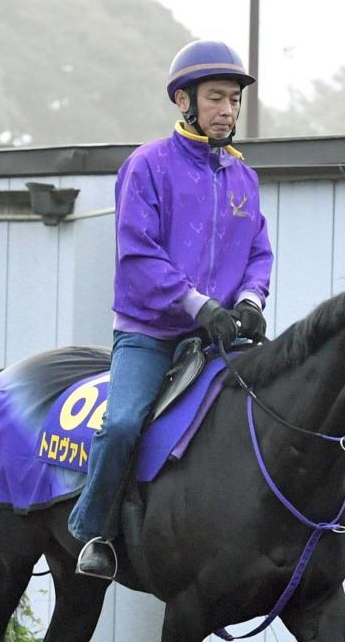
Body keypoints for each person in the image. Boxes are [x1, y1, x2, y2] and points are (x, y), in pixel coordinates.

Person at [68, 39, 274, 579]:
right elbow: (137, 253)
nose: (228, 110)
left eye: (233, 100)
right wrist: (199, 305)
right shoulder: (146, 166)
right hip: (150, 334)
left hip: (219, 338)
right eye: (216, 99)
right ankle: (96, 533)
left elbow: (258, 250)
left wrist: (251, 300)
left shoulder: (242, 177)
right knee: (123, 424)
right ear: (183, 100)